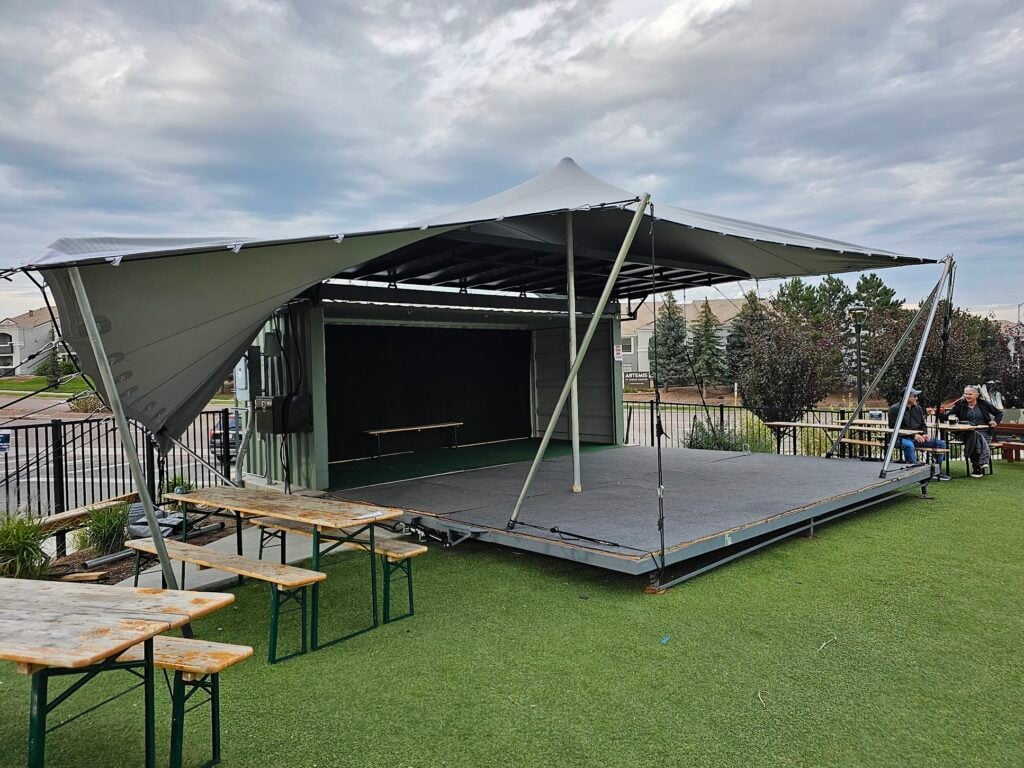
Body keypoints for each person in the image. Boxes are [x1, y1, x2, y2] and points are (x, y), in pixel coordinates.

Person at [948, 384, 1003, 477]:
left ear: (977, 395)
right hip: (965, 432)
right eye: (965, 394)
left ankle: (977, 468)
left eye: (970, 394)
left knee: (974, 438)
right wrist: (936, 413)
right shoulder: (960, 405)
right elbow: (949, 415)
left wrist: (995, 421)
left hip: (985, 431)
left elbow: (999, 413)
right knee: (974, 435)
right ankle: (982, 462)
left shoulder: (984, 404)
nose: (967, 396)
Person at [888, 387, 945, 464]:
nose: (917, 398)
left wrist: (925, 434)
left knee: (941, 444)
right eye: (914, 396)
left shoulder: (918, 409)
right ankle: (913, 467)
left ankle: (937, 468)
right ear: (906, 397)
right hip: (900, 438)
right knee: (909, 445)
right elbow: (895, 428)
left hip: (917, 438)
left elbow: (923, 424)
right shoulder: (894, 409)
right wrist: (914, 435)